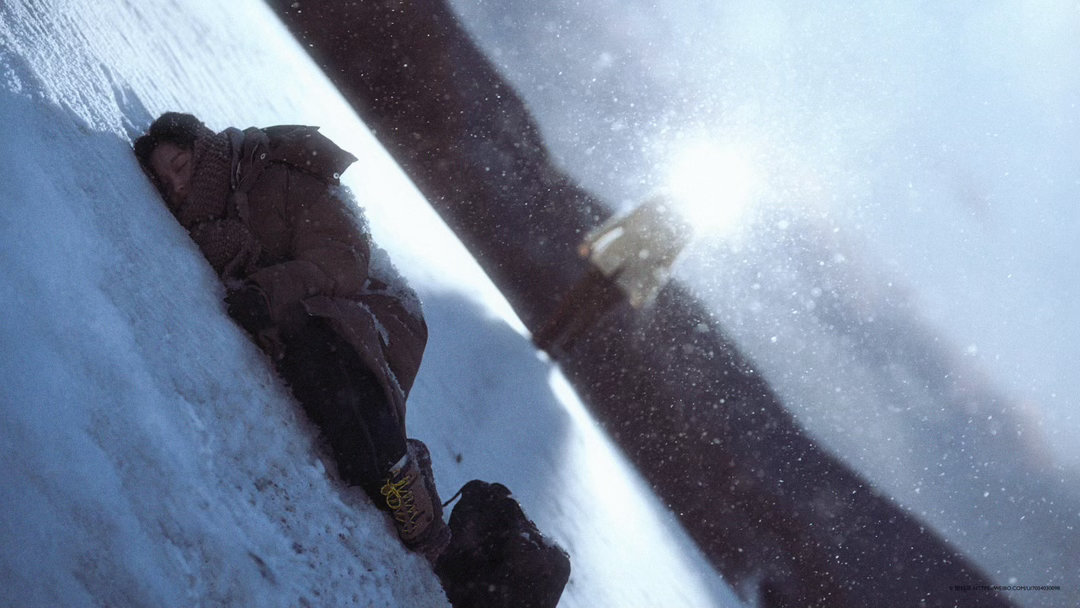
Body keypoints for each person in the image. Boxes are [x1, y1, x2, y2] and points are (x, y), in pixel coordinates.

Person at [134, 112, 450, 561]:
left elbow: (343, 257)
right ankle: (388, 471)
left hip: (377, 306)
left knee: (328, 351)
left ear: (201, 147)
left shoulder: (273, 171)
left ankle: (406, 479)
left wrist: (268, 290)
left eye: (180, 166)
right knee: (334, 418)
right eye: (167, 184)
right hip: (310, 315)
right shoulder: (209, 226)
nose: (178, 187)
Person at [534, 193, 693, 353]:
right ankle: (545, 337)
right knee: (575, 300)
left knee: (591, 317)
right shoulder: (658, 201)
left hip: (629, 279)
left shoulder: (685, 230)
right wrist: (592, 240)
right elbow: (621, 221)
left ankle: (562, 349)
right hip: (609, 260)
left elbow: (664, 267)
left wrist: (644, 293)